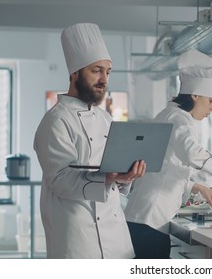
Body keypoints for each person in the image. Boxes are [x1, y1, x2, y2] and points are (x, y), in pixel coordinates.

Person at [34, 23, 146, 259]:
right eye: (96, 70)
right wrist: (107, 178)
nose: (104, 79)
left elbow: (113, 177)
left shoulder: (105, 118)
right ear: (75, 73)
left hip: (115, 239)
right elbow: (59, 180)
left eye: (108, 71)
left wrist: (126, 177)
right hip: (78, 238)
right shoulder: (55, 121)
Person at [124, 49, 212, 259]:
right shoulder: (179, 118)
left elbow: (165, 169)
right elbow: (190, 152)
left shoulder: (170, 114)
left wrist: (199, 187)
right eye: (211, 101)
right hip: (150, 219)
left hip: (144, 217)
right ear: (195, 95)